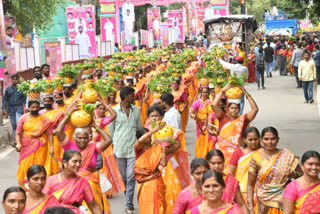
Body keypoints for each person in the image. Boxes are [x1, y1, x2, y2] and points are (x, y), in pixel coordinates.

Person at [55, 102, 113, 214]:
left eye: (85, 138)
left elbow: (108, 141)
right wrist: (68, 115)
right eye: (80, 138)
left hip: (91, 187)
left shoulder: (93, 147)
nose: (82, 140)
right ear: (74, 137)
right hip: (72, 187)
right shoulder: (69, 145)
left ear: (89, 138)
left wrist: (96, 127)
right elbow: (58, 131)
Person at [247, 127, 302, 214]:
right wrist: (250, 205)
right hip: (264, 201)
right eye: (266, 139)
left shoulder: (287, 155)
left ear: (278, 140)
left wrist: (294, 174)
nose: (270, 142)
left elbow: (302, 176)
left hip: (285, 200)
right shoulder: (256, 158)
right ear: (261, 140)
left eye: (273, 138)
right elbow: (250, 184)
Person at [108, 86, 142, 213]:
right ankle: (129, 198)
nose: (134, 98)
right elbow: (111, 133)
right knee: (123, 178)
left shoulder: (136, 111)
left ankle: (128, 204)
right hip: (119, 149)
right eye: (132, 95)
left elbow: (139, 129)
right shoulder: (114, 111)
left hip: (133, 149)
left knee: (130, 176)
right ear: (126, 97)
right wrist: (111, 149)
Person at [212, 84, 258, 168]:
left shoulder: (243, 120)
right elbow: (214, 105)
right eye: (232, 108)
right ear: (227, 109)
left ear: (239, 109)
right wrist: (222, 90)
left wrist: (245, 92)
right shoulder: (222, 118)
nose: (234, 110)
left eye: (236, 108)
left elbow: (255, 109)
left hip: (237, 153)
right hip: (223, 152)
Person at [16, 100, 58, 188]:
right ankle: (26, 186)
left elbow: (49, 134)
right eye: (32, 107)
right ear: (28, 108)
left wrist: (52, 147)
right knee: (25, 166)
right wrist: (18, 144)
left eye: (36, 107)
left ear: (39, 107)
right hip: (26, 146)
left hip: (41, 146)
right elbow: (18, 133)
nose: (35, 109)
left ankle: (39, 186)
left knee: (39, 167)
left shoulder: (44, 119)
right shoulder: (23, 118)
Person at [133, 124, 168, 214]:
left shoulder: (157, 148)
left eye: (148, 134)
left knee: (159, 207)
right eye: (144, 135)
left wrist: (164, 148)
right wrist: (153, 131)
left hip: (156, 182)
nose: (147, 137)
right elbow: (140, 141)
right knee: (146, 208)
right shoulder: (138, 149)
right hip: (144, 184)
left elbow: (163, 163)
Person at [206, 150, 249, 214]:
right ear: (208, 163)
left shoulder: (232, 181)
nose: (217, 166)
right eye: (213, 163)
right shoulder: (203, 180)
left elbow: (241, 204)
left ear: (224, 163)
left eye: (219, 163)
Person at [227, 127, 261, 204]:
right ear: (244, 140)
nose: (253, 142)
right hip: (241, 192)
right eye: (250, 140)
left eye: (255, 139)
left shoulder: (263, 152)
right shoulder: (238, 153)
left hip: (260, 192)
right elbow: (231, 173)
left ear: (259, 139)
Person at [2, 74, 26, 146]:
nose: (15, 81)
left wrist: (27, 107)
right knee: (14, 125)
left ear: (18, 80)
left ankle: (21, 139)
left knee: (19, 123)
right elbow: (5, 99)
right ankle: (16, 141)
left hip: (19, 108)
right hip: (11, 109)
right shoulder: (8, 89)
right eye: (13, 79)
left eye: (16, 79)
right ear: (11, 80)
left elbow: (25, 99)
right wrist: (4, 109)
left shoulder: (22, 88)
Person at [40, 95, 64, 163]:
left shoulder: (58, 113)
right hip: (43, 138)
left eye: (49, 101)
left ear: (52, 102)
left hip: (55, 137)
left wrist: (55, 131)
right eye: (45, 101)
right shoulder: (40, 113)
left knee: (55, 156)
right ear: (43, 102)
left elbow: (62, 126)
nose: (47, 103)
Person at [190, 86, 212, 158]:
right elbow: (191, 113)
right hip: (200, 124)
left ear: (209, 93)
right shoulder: (197, 102)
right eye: (203, 92)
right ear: (201, 93)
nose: (205, 94)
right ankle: (200, 156)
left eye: (206, 92)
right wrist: (194, 116)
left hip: (209, 123)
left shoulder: (211, 102)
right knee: (201, 140)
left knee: (209, 140)